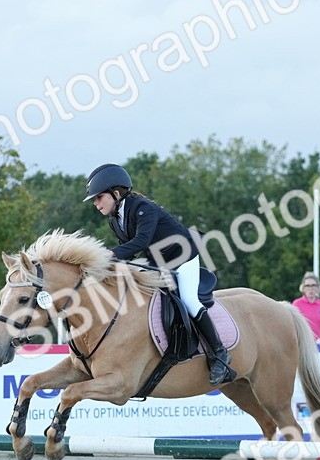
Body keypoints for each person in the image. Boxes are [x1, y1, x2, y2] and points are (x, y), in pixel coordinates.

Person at [83, 163, 234, 384]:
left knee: (190, 300)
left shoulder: (143, 208)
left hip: (183, 255)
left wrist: (107, 255)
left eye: (99, 198)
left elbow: (140, 242)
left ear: (116, 193)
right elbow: (128, 252)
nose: (96, 204)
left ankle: (220, 353)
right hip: (157, 260)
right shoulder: (115, 220)